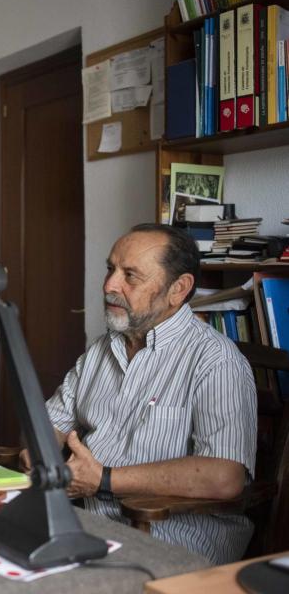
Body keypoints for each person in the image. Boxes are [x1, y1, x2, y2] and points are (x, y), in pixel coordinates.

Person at [21, 223, 256, 564]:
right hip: (89, 524)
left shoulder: (216, 361)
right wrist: (38, 446)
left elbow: (225, 477)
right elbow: (51, 421)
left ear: (178, 289)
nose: (109, 285)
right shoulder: (102, 349)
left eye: (130, 275)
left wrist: (103, 480)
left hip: (171, 538)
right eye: (110, 269)